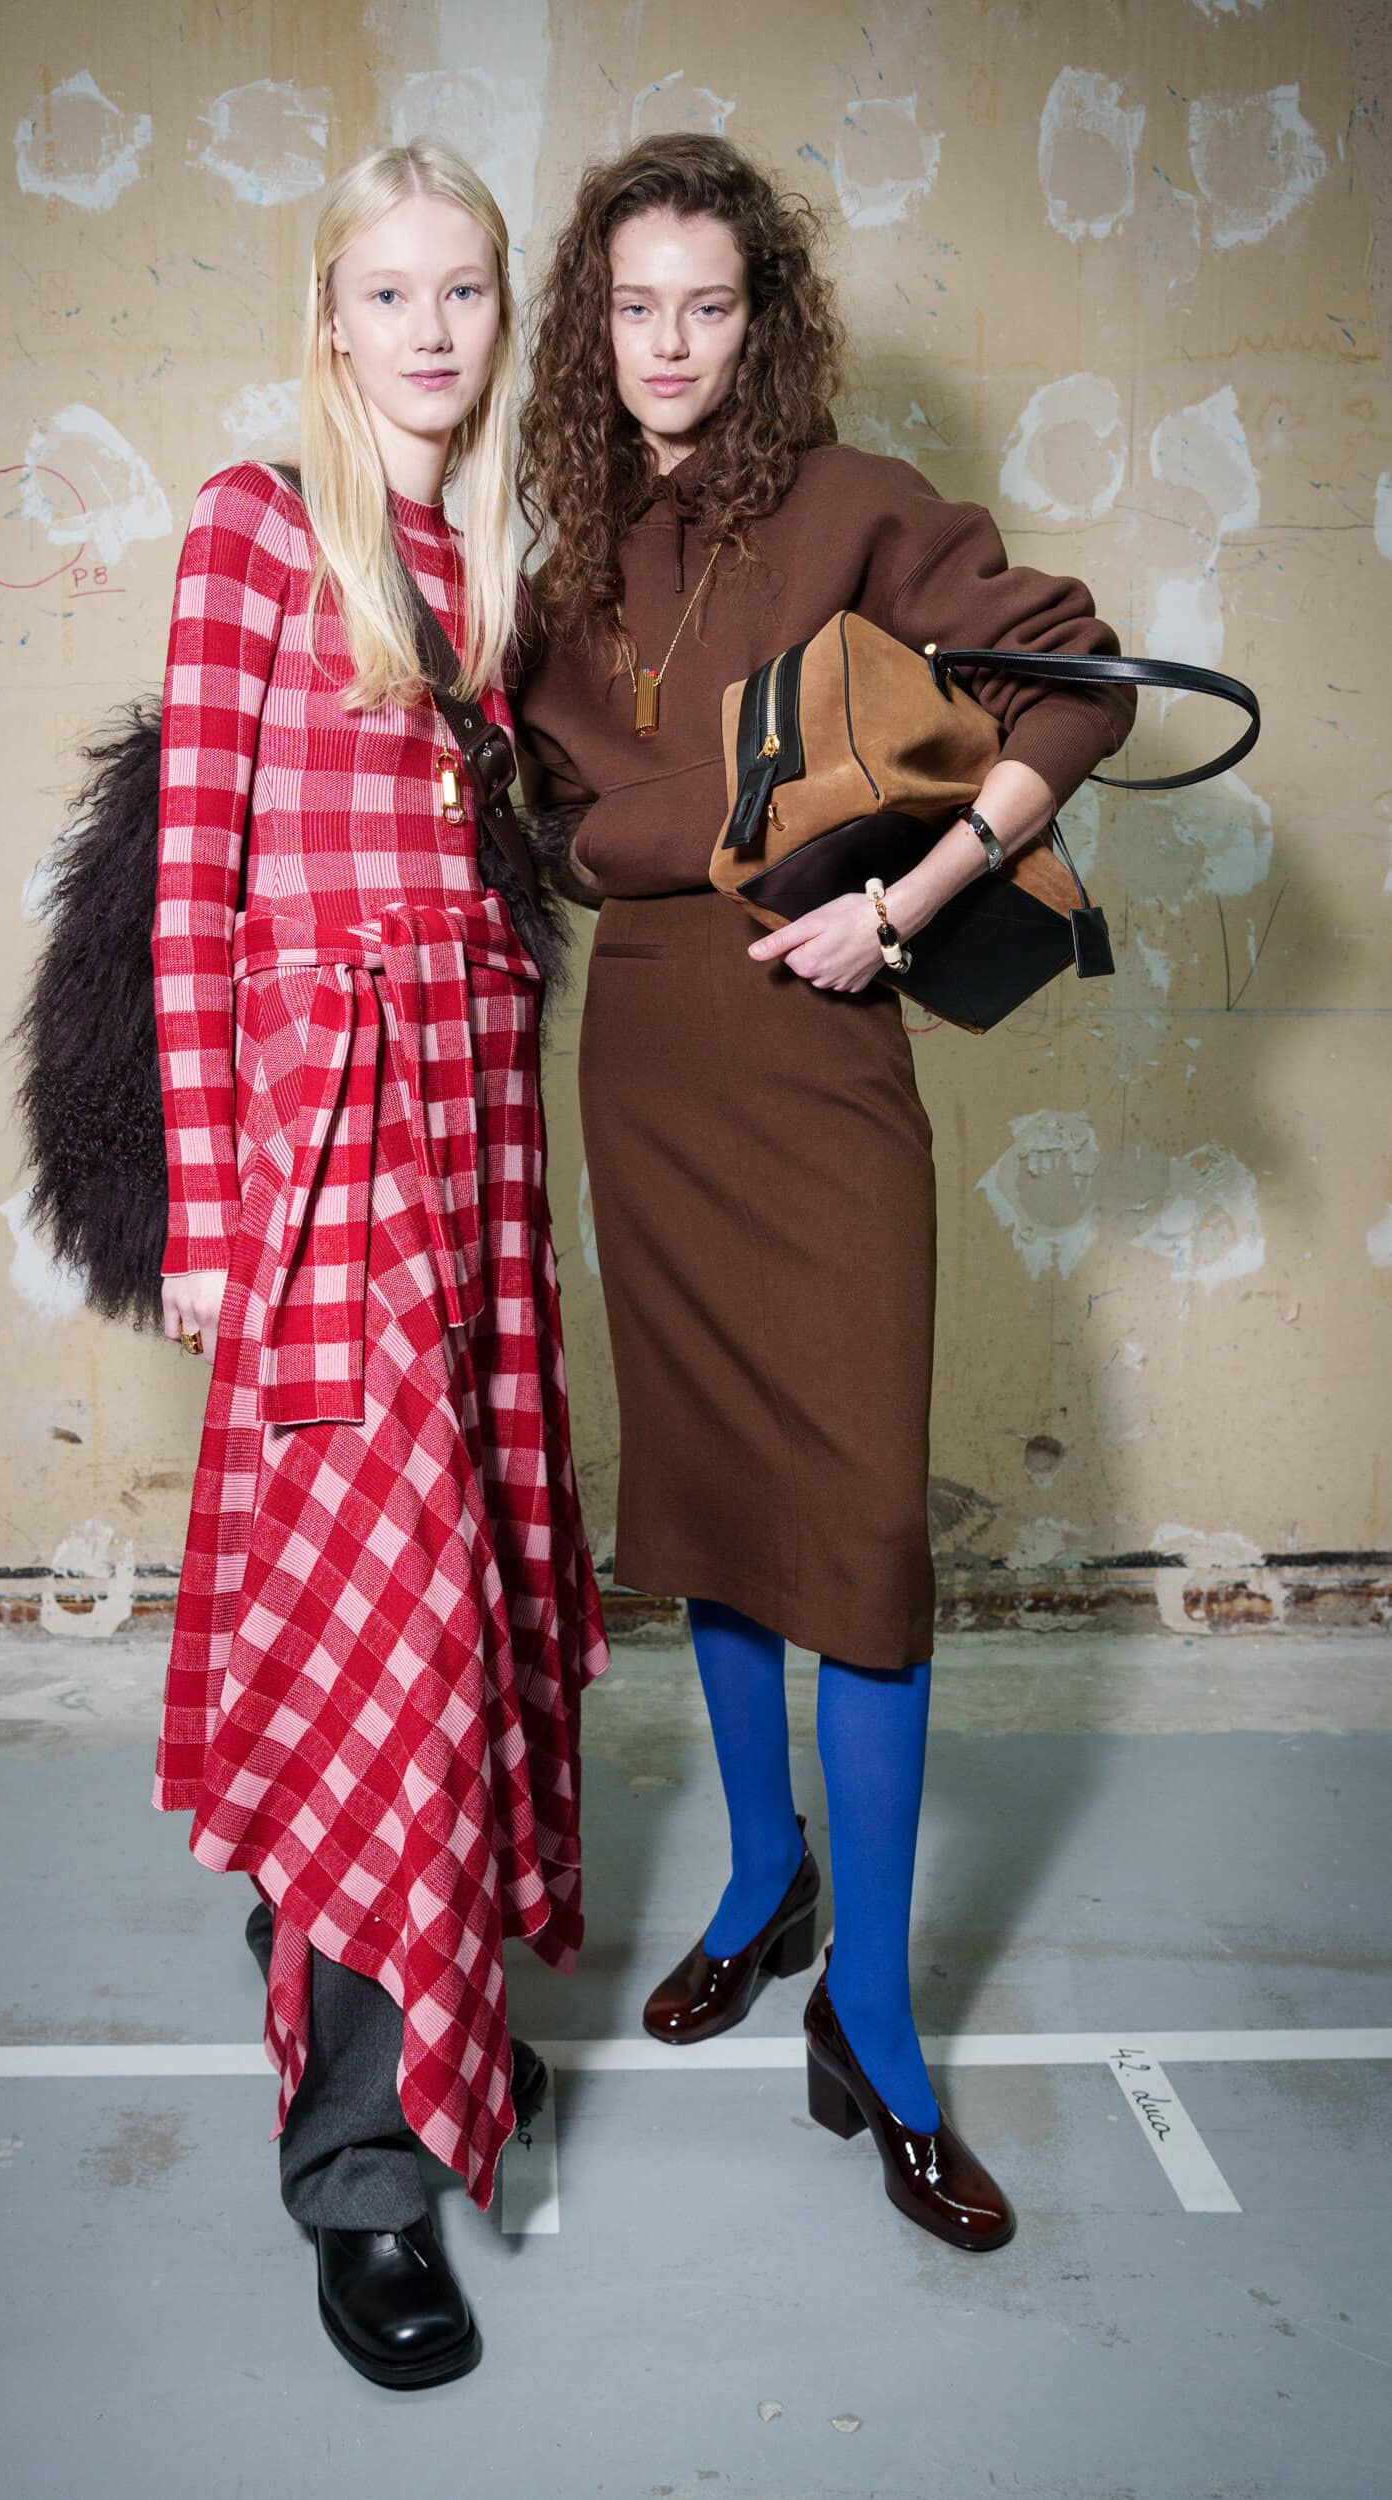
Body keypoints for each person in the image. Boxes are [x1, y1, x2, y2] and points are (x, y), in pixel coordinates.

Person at [514, 135, 1136, 2254]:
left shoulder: (859, 502)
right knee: (710, 1496)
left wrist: (916, 896)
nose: (671, 344)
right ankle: (762, 1873)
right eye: (635, 306)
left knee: (857, 1516)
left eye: (709, 304)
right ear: (593, 329)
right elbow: (527, 804)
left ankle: (872, 2011)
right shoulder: (562, 558)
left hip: (817, 1047)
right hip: (647, 1065)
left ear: (759, 320)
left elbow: (1074, 679)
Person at [150, 138, 608, 2386]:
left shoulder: (494, 559)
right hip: (321, 1150)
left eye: (466, 292)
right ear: (328, 317)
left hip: (475, 1146)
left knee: (460, 1612)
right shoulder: (254, 524)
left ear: (501, 319)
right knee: (385, 1634)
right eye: (390, 292)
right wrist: (207, 1212)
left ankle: (384, 1972)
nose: (431, 331)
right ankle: (359, 2171)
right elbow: (185, 885)